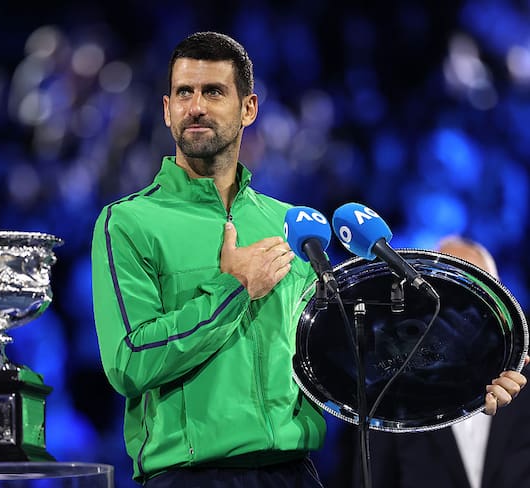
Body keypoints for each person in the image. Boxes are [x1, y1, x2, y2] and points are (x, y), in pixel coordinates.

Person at [91, 32, 526, 487]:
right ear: (166, 109)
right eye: (184, 93)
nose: (196, 106)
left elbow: (346, 364)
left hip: (294, 473)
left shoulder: (294, 225)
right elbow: (130, 361)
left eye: (214, 92)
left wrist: (465, 378)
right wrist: (234, 289)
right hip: (189, 476)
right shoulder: (128, 222)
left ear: (248, 109)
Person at [358, 235, 530, 488]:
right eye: (450, 294)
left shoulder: (524, 378)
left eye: (478, 293)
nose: (463, 312)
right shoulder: (390, 397)